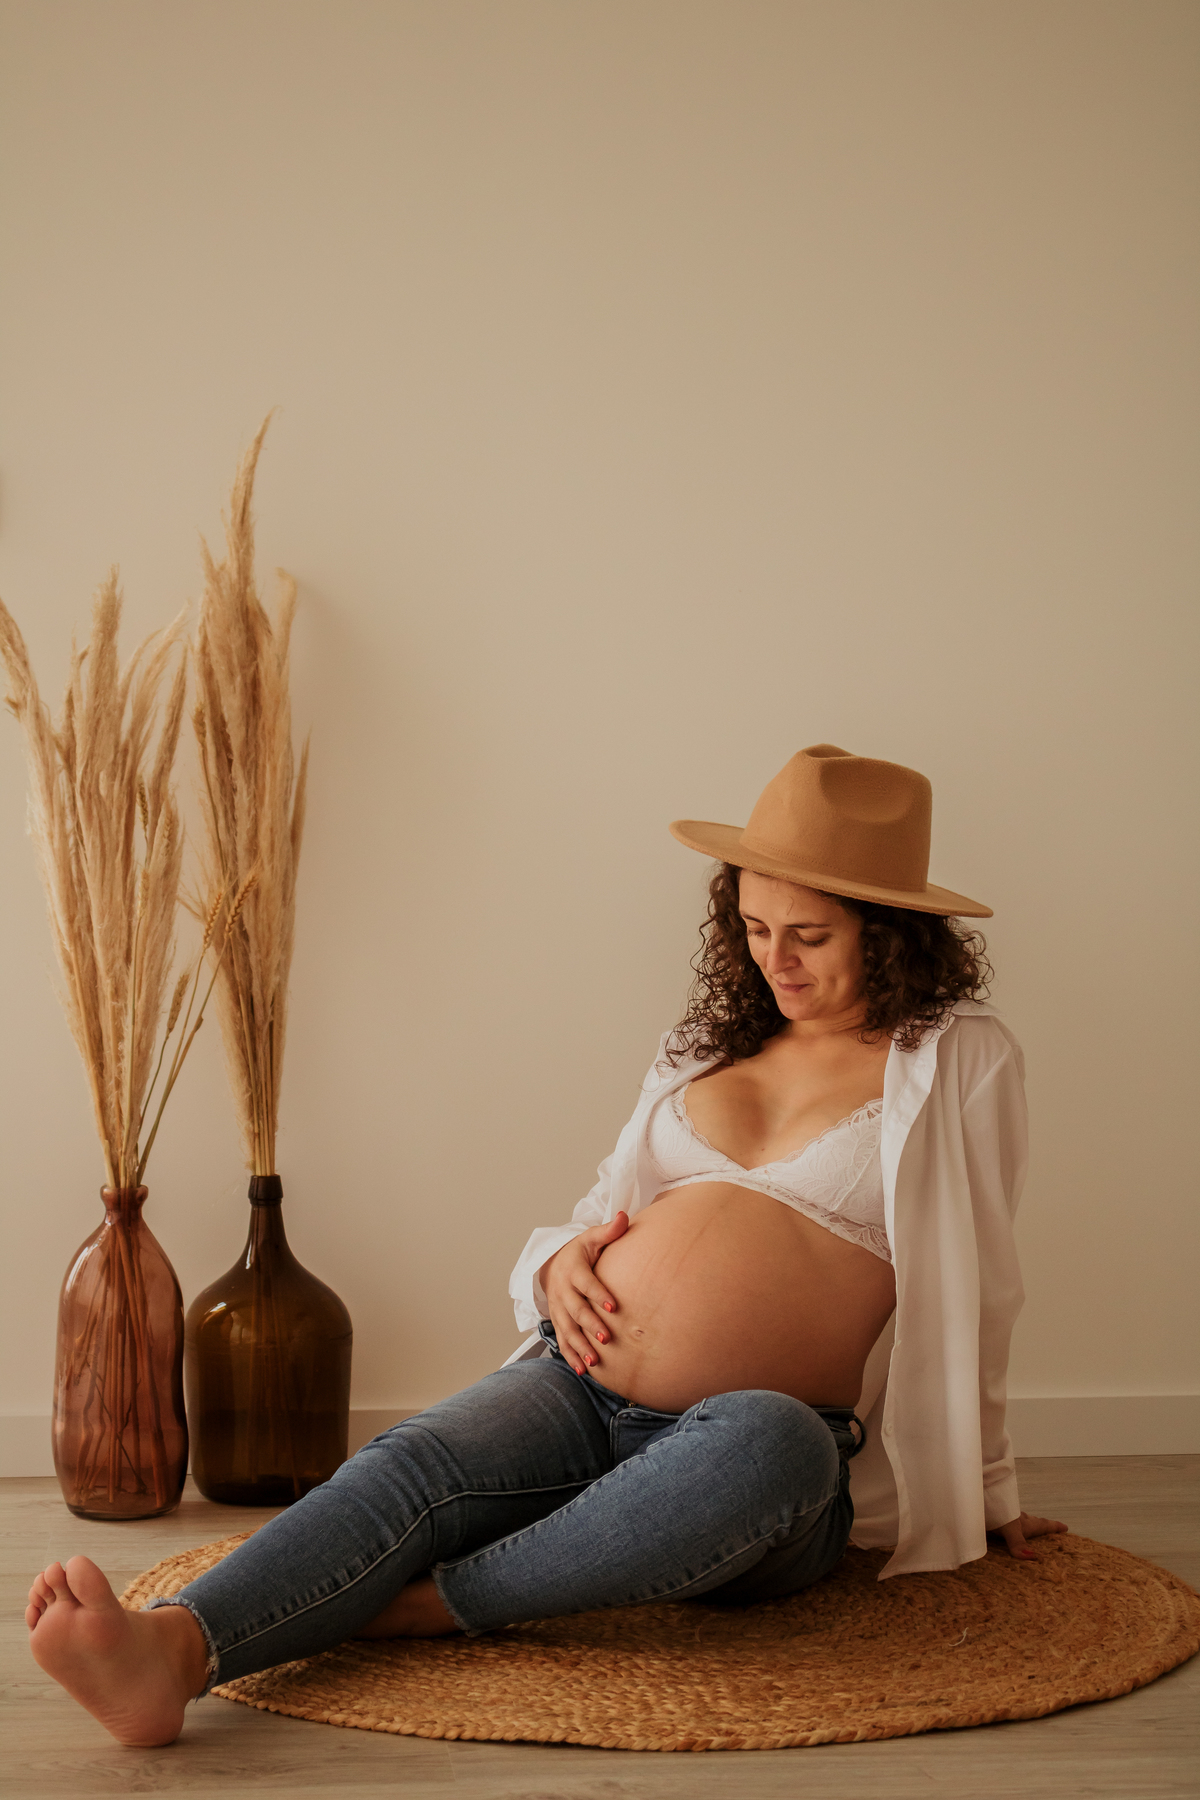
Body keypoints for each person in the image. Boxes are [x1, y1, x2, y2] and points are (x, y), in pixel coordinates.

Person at [25, 743, 1065, 1746]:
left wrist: (993, 1488)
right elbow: (602, 1210)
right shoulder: (704, 1047)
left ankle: (434, 1608)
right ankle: (172, 1649)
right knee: (414, 1463)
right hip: (579, 1385)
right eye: (752, 926)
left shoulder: (958, 1060)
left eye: (811, 936)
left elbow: (984, 1287)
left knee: (771, 1441)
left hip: (755, 1453)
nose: (774, 960)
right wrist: (560, 1262)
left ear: (886, 932)